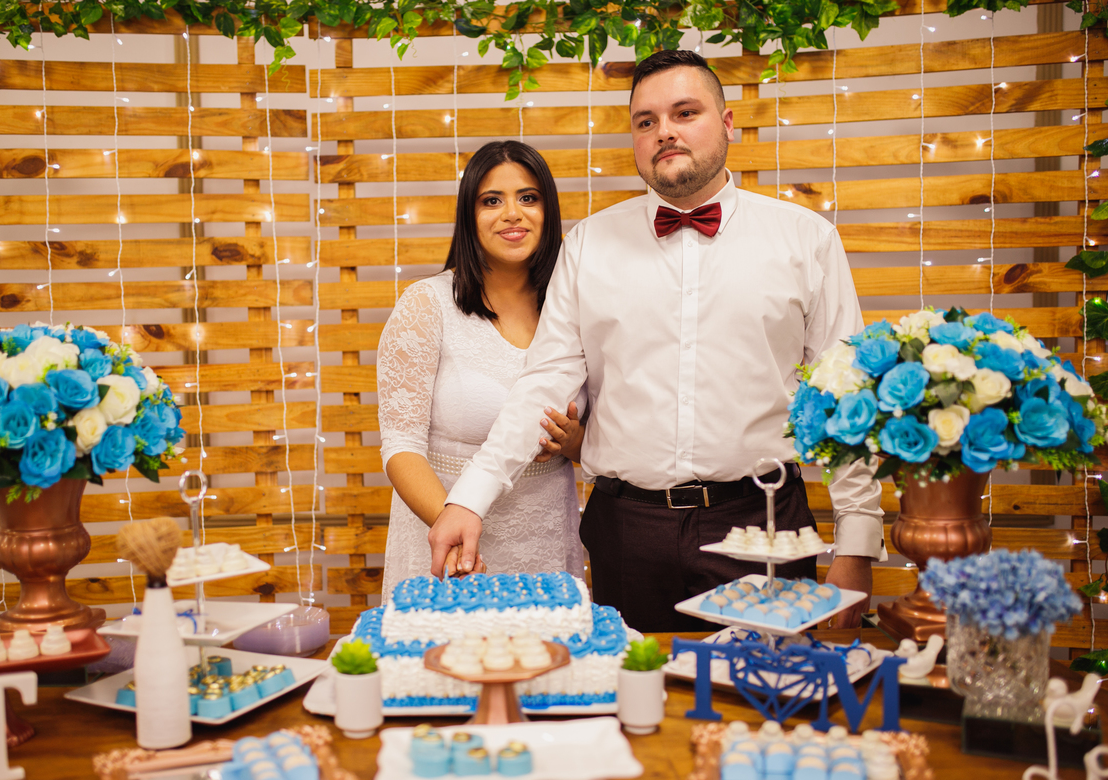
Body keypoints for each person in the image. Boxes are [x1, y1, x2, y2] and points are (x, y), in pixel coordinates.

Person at [426, 49, 886, 632]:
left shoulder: (806, 240)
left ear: (727, 124)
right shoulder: (589, 245)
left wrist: (858, 546)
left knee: (762, 706)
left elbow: (848, 399)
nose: (664, 131)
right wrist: (469, 497)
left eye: (684, 112)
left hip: (763, 521)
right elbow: (542, 384)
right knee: (633, 706)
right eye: (645, 121)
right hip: (625, 531)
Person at [376, 140, 587, 597]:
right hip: (447, 539)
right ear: (469, 217)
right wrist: (452, 522)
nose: (512, 213)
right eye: (492, 200)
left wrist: (575, 442)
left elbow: (603, 438)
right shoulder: (426, 305)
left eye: (528, 198)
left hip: (547, 538)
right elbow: (400, 446)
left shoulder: (575, 308)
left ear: (548, 211)